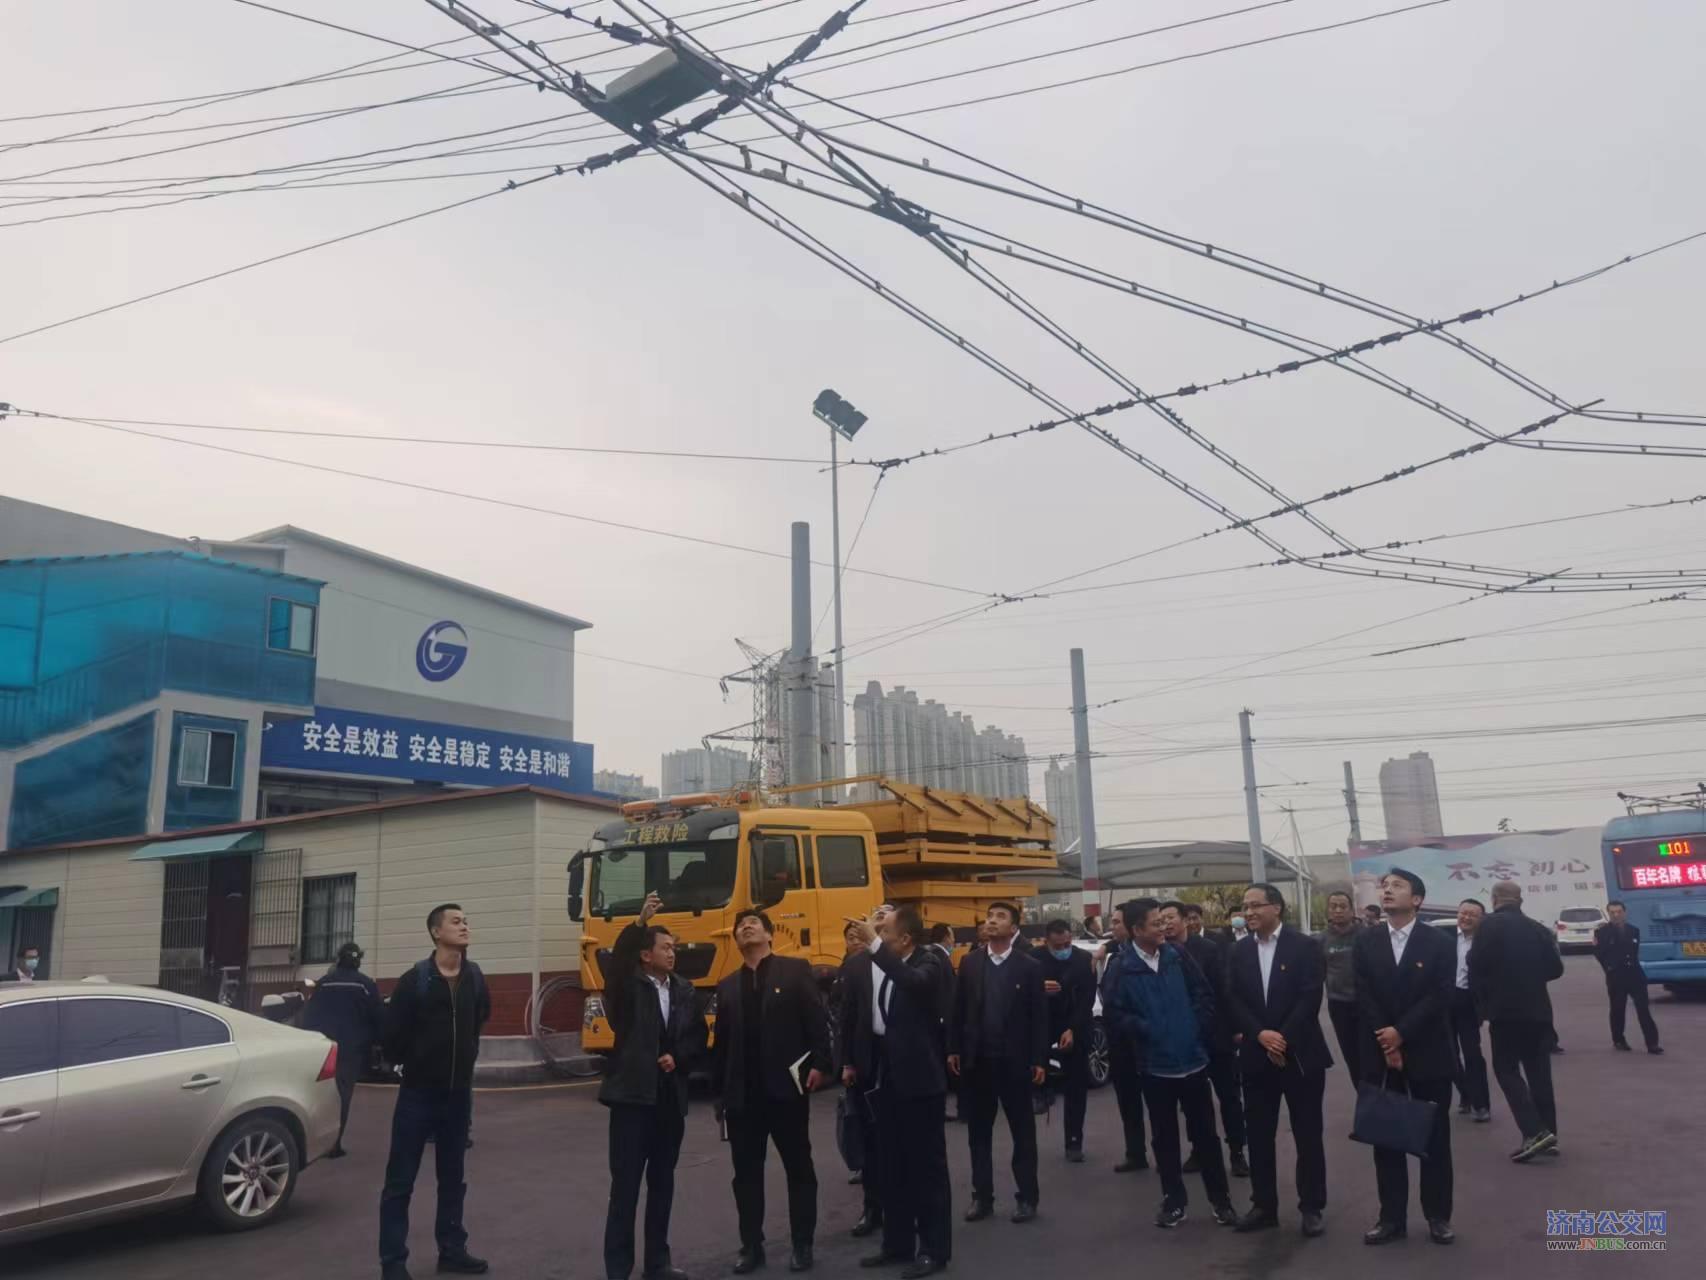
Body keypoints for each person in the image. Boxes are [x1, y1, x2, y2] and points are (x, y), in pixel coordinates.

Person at [1108, 897, 1240, 1231]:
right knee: (1164, 1140)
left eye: (1165, 921)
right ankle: (1174, 1202)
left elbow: (1204, 994)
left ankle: (1221, 1201)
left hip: (1193, 1062)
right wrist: (1147, 1030)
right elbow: (1115, 1014)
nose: (1164, 927)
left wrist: (1194, 1027)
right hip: (1155, 1068)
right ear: (1137, 930)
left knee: (1206, 1137)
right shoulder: (1121, 967)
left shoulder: (1178, 956)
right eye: (1156, 923)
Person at [713, 910, 833, 1274]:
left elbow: (816, 1021)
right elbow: (721, 1046)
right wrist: (721, 1095)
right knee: (746, 1176)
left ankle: (802, 1243)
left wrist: (821, 1064)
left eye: (753, 923)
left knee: (799, 1168)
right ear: (736, 939)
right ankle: (751, 1246)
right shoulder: (727, 985)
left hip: (785, 1091)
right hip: (743, 1097)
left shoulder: (794, 971)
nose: (746, 927)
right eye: (740, 925)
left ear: (769, 935)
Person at [378, 904, 492, 1280]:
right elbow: (392, 1036)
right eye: (455, 922)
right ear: (435, 932)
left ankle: (452, 1250)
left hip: (458, 1096)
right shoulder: (416, 980)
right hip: (418, 1095)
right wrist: (415, 1063)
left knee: (453, 1179)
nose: (464, 926)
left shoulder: (475, 978)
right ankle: (393, 1263)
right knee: (400, 1182)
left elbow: (479, 1018)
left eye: (466, 921)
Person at [601, 893, 708, 1280]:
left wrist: (678, 1057)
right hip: (632, 1099)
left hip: (668, 1100)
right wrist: (640, 923)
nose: (672, 953)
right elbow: (617, 962)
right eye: (665, 947)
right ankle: (618, 1268)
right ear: (646, 955)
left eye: (673, 948)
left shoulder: (684, 989)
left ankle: (658, 1262)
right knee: (626, 1187)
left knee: (662, 1183)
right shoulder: (626, 988)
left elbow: (698, 1036)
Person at [844, 906, 954, 1279]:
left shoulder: (928, 962)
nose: (877, 933)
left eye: (885, 930)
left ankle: (934, 1249)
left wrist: (874, 944)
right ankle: (897, 1244)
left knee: (926, 1168)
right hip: (884, 1075)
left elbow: (912, 982)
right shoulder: (875, 962)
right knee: (890, 1165)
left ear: (905, 939)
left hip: (920, 1080)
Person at [1353, 869, 1456, 1247]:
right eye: (1385, 886)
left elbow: (1441, 994)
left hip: (1428, 1051)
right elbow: (1363, 993)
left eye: (1397, 886)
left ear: (1417, 899)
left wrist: (1402, 1033)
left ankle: (1438, 1216)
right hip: (1381, 1053)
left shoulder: (1439, 942)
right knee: (1387, 1138)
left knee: (1435, 1138)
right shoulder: (1366, 941)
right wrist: (1387, 1039)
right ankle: (1391, 1218)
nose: (1387, 891)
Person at [1224, 884, 1330, 1238]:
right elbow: (1233, 998)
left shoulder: (1305, 946)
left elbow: (1309, 998)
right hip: (1257, 1055)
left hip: (1301, 1054)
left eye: (1256, 905)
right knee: (1258, 1134)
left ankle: (1312, 1206)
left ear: (1277, 908)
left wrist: (1281, 1038)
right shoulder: (1238, 951)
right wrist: (1260, 1035)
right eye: (1245, 906)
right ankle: (1264, 1206)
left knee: (1308, 1133)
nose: (1249, 912)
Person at [948, 901, 1048, 1224]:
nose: (992, 921)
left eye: (1000, 917)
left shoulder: (1028, 967)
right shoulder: (970, 963)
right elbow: (958, 1009)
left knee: (1023, 1132)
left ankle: (1027, 1197)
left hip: (1015, 1061)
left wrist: (1039, 1059)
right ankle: (982, 1197)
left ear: (1014, 928)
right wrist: (954, 1048)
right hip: (978, 1061)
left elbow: (1039, 1017)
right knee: (978, 1134)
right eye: (990, 916)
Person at [1468, 881, 1564, 1164]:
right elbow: (1556, 969)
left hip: (1505, 1012)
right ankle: (1549, 1135)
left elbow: (1476, 963)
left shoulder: (1488, 926)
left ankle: (1534, 1131)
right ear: (1520, 900)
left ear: (1494, 899)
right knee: (1539, 1073)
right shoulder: (1537, 928)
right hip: (1538, 1011)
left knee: (1506, 1069)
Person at [1161, 903, 1247, 1180]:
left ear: (1184, 920)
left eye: (1170, 917)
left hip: (1217, 1036)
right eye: (1161, 919)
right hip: (1185, 1041)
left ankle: (1237, 1151)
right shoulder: (1161, 953)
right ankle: (1200, 1149)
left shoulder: (1209, 949)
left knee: (1229, 1096)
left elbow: (1225, 990)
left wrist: (1235, 1028)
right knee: (1192, 1102)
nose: (1166, 923)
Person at [302, 940, 382, 1158]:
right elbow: (377, 1016)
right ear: (358, 961)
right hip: (351, 1049)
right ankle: (334, 1144)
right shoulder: (366, 984)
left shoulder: (324, 983)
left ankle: (313, 1141)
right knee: (342, 1095)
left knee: (318, 1093)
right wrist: (376, 1042)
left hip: (322, 1047)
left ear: (339, 959)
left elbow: (309, 1014)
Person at [837, 915, 888, 1235]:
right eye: (876, 917)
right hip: (866, 1062)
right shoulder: (855, 966)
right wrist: (847, 1063)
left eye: (885, 917)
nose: (879, 921)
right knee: (870, 1140)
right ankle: (872, 1209)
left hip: (902, 1063)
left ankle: (906, 1208)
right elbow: (846, 1017)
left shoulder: (917, 963)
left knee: (902, 1140)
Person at [1038, 919, 1096, 1162]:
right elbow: (1019, 993)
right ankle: (1042, 1095)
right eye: (1058, 946)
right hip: (1043, 1027)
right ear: (1047, 941)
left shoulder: (1083, 960)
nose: (1063, 949)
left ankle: (1074, 1141)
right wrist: (1038, 988)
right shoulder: (1033, 960)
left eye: (1067, 944)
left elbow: (1087, 999)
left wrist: (1073, 1028)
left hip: (1076, 1026)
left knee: (1076, 1088)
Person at [1099, 904, 1149, 1173]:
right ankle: (1135, 1152)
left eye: (1116, 922)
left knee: (1159, 1104)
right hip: (1121, 1045)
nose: (1112, 927)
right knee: (1128, 1102)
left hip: (1147, 1042)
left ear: (1132, 927)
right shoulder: (1115, 957)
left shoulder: (1155, 956)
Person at [1594, 901, 1662, 1055]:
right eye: (1612, 912)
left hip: (1635, 976)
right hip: (1616, 977)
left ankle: (1652, 1043)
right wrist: (1610, 969)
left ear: (1624, 912)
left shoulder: (1633, 930)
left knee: (1643, 1010)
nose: (1616, 915)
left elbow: (1633, 952)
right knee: (1618, 1009)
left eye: (1619, 912)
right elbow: (1599, 953)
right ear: (1608, 914)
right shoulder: (1601, 932)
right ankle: (1618, 1039)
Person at [1449, 901, 1491, 1122]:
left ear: (1481, 919)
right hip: (1444, 1001)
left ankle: (1481, 1104)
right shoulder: (1445, 938)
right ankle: (1466, 1093)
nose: (1466, 918)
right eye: (1463, 913)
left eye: (1472, 915)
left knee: (1472, 1054)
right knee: (1448, 1054)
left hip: (1468, 1003)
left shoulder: (1485, 943)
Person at [1315, 892, 1363, 1083]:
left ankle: (1379, 1095)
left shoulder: (1366, 935)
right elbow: (1317, 974)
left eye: (1343, 906)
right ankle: (1363, 1094)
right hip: (1339, 1005)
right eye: (1333, 906)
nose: (1338, 910)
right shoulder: (1321, 940)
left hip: (1367, 1004)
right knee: (1352, 1056)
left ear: (1352, 910)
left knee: (1372, 1054)